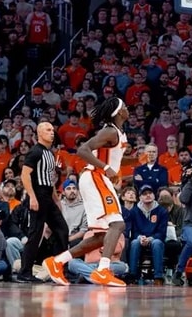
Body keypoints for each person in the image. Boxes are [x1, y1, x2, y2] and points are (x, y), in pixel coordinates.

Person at [41, 96, 136, 287]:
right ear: (119, 112)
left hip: (99, 178)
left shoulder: (119, 133)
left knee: (101, 236)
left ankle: (57, 262)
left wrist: (138, 160)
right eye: (125, 106)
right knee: (117, 224)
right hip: (95, 176)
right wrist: (105, 167)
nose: (128, 109)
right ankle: (103, 271)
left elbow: (116, 161)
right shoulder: (109, 131)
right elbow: (83, 150)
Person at [17, 122, 69, 283]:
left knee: (62, 230)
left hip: (47, 196)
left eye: (53, 130)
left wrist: (56, 199)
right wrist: (32, 197)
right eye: (48, 130)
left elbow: (49, 179)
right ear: (39, 133)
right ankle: (24, 272)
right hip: (37, 195)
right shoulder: (35, 151)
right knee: (36, 234)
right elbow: (25, 175)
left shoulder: (50, 153)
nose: (52, 132)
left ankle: (59, 267)